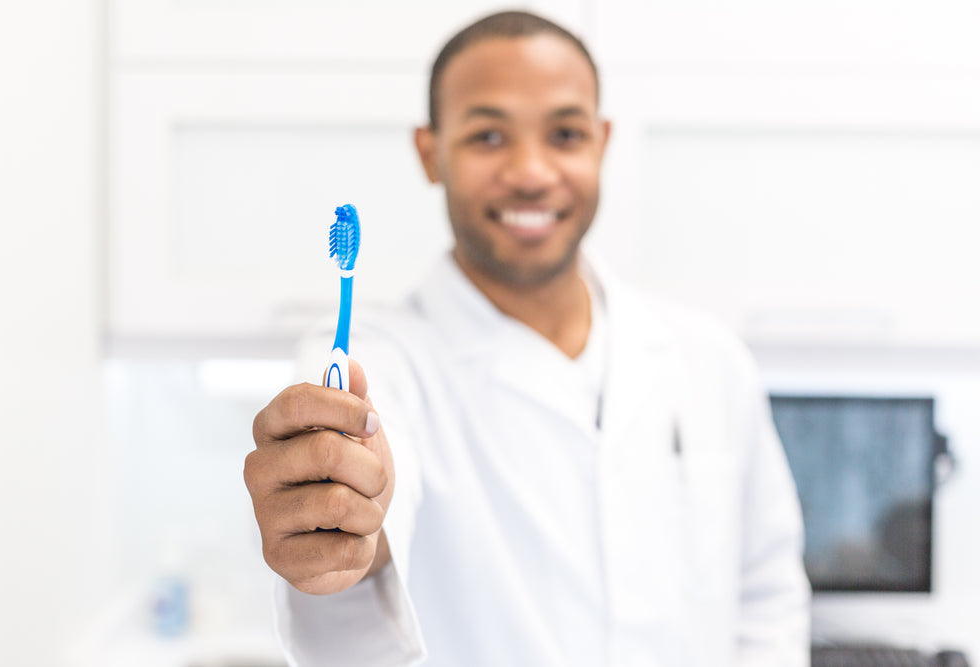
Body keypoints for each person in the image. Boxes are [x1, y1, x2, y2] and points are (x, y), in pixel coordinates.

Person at [244, 10, 810, 666]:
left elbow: (766, 597)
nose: (532, 172)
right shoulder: (378, 362)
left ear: (601, 142)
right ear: (430, 153)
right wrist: (343, 527)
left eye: (565, 134)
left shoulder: (710, 359)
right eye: (488, 136)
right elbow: (359, 512)